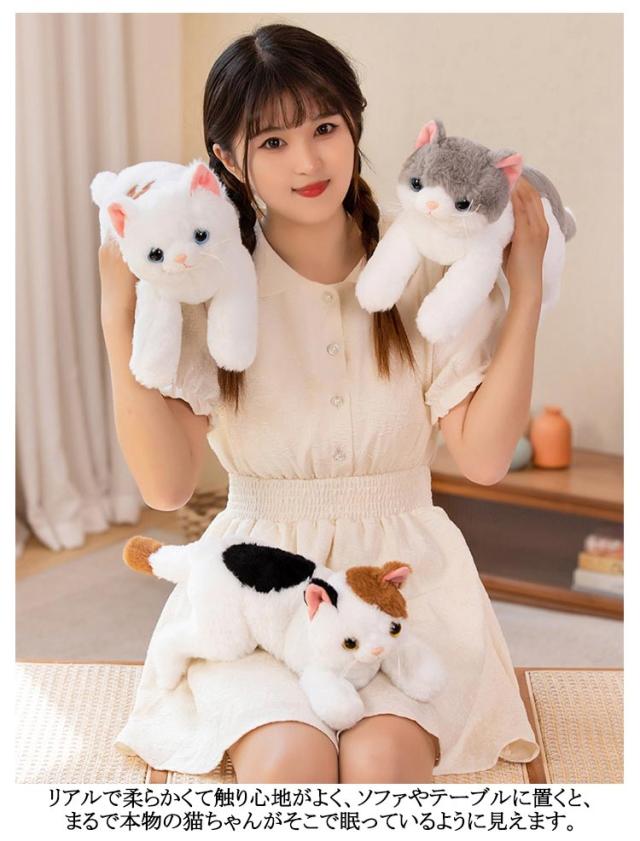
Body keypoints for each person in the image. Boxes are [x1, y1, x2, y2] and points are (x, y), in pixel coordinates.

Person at [101, 23, 547, 783]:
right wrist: (121, 310)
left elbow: (483, 458)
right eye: (272, 142)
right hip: (256, 598)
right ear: (227, 159)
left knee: (382, 763)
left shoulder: (426, 265)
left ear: (354, 126)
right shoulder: (207, 283)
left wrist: (526, 288)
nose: (307, 162)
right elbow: (166, 487)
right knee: (290, 765)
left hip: (405, 589)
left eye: (325, 129)